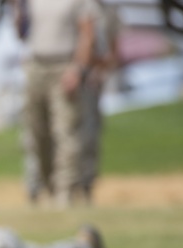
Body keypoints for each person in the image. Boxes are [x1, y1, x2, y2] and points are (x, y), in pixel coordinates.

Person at [18, 0, 98, 207]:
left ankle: (65, 192)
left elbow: (88, 34)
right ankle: (49, 187)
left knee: (66, 132)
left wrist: (77, 69)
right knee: (38, 134)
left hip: (64, 65)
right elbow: (21, 32)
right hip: (36, 65)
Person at [78, 0, 121, 204]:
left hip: (91, 81)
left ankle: (86, 186)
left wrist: (98, 70)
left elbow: (112, 52)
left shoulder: (109, 11)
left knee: (89, 133)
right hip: (64, 76)